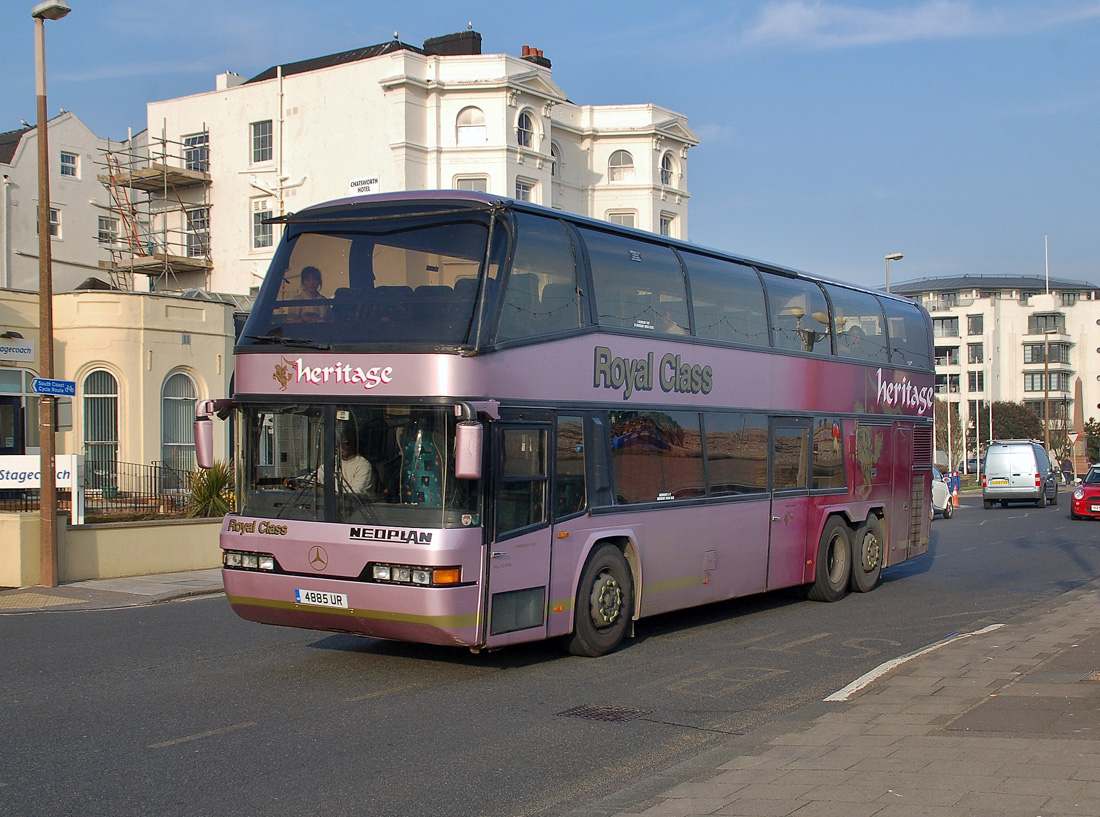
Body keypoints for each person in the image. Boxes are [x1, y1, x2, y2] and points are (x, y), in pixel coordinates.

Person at [284, 433, 375, 494]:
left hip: (355, 511)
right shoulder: (333, 461)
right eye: (339, 443)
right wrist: (296, 482)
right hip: (332, 508)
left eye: (346, 443)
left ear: (355, 445)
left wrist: (332, 495)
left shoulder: (363, 465)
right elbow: (317, 478)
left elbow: (356, 492)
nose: (341, 446)